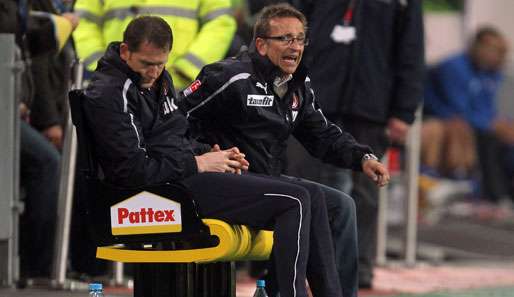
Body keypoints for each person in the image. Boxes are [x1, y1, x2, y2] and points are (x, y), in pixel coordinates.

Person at [83, 15, 345, 297]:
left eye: (161, 64)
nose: (154, 72)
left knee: (313, 198)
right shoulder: (111, 93)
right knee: (295, 200)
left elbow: (175, 137)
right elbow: (133, 171)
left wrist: (213, 154)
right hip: (154, 194)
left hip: (179, 179)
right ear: (125, 52)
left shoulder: (160, 80)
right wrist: (197, 162)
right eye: (147, 64)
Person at [179, 4, 390, 297]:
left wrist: (361, 157)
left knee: (342, 207)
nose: (295, 47)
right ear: (262, 45)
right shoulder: (230, 76)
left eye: (300, 39)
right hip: (220, 181)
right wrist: (202, 153)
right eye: (286, 39)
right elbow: (173, 120)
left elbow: (322, 134)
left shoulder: (297, 84)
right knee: (301, 198)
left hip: (265, 180)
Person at [280, 0, 424, 288]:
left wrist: (403, 111)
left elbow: (411, 52)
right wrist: (286, 87)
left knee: (366, 193)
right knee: (304, 186)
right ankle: (300, 268)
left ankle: (357, 271)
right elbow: (295, 28)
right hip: (314, 100)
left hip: (371, 106)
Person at [422, 27, 513, 204]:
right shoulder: (453, 68)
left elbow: (486, 108)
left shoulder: (490, 72)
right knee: (474, 132)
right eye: (494, 50)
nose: (498, 56)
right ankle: (487, 192)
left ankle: (505, 193)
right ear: (477, 47)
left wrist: (501, 124)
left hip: (470, 120)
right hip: (440, 118)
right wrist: (492, 124)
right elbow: (458, 110)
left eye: (501, 52)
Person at [73, 0, 236, 90]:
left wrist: (186, 70)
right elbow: (82, 22)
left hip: (178, 87)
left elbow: (220, 23)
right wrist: (103, 65)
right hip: (115, 85)